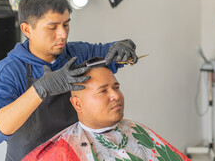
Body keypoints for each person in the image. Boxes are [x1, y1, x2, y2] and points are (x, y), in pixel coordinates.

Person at [0, 0, 138, 161]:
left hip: (76, 155)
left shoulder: (77, 53)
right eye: (52, 27)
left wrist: (123, 46)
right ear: (27, 29)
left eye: (66, 24)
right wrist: (40, 89)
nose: (63, 34)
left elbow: (109, 53)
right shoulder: (8, 71)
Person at [22, 58, 190, 161]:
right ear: (77, 104)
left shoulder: (138, 131)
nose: (115, 96)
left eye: (116, 88)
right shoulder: (61, 152)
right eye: (103, 91)